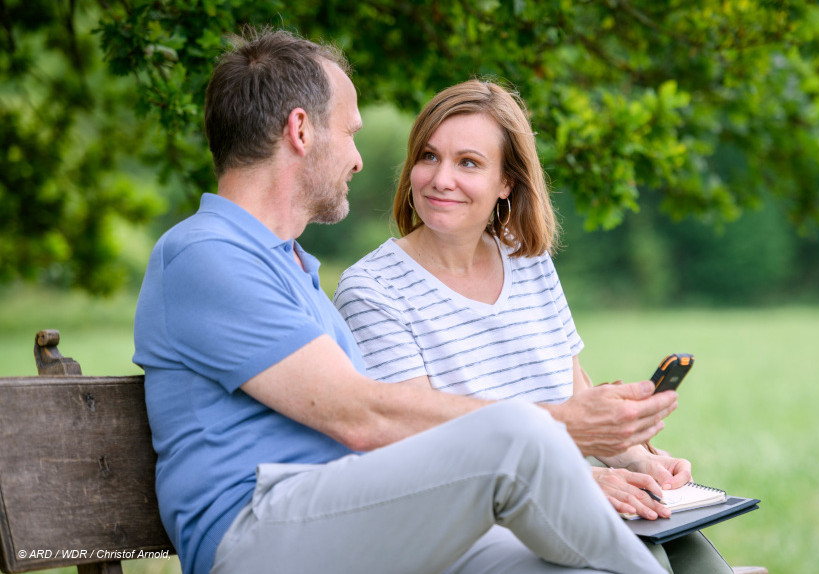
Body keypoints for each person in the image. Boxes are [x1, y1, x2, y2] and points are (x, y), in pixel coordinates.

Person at [132, 28, 680, 574]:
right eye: (350, 132)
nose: (358, 159)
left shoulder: (289, 266)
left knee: (559, 566)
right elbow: (362, 414)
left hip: (353, 516)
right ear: (301, 130)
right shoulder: (206, 254)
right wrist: (561, 424)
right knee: (518, 436)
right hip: (258, 533)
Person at [332, 80, 733, 572]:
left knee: (703, 565)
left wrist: (638, 462)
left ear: (507, 183)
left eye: (469, 163)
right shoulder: (372, 290)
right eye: (429, 156)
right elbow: (414, 442)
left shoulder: (528, 260)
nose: (440, 179)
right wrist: (577, 484)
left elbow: (573, 394)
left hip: (571, 496)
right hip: (478, 526)